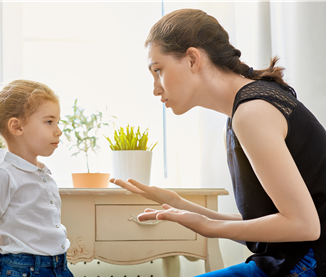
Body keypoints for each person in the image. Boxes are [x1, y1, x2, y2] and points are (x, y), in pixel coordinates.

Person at [111, 9, 326, 277]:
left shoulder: (252, 112)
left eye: (158, 70)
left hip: (309, 263)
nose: (155, 87)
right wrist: (179, 203)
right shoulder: (244, 109)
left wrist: (210, 227)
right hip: (299, 259)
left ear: (192, 59)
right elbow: (268, 229)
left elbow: (304, 226)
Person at [0, 79, 73, 277]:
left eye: (58, 122)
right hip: (22, 270)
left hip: (59, 267)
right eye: (49, 122)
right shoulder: (2, 175)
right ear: (17, 127)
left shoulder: (44, 176)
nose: (59, 131)